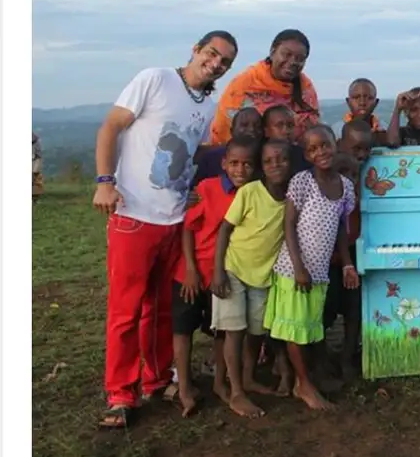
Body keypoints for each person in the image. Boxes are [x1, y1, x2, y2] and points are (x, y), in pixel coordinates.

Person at [92, 30, 238, 429]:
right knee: (125, 310)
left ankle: (157, 380)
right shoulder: (155, 79)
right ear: (196, 50)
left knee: (160, 308)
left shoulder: (208, 105)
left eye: (225, 61)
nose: (217, 63)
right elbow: (111, 126)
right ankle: (122, 393)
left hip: (174, 219)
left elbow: (193, 153)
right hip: (134, 214)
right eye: (212, 53)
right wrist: (106, 180)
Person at [265, 125, 359, 411]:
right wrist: (298, 268)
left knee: (309, 327)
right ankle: (304, 385)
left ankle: (307, 380)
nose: (321, 152)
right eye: (313, 149)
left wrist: (347, 265)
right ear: (306, 154)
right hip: (295, 270)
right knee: (296, 329)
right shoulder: (302, 181)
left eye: (325, 145)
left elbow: (341, 231)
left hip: (320, 273)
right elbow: (289, 225)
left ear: (335, 144)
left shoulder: (345, 186)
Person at [173, 137, 257, 417]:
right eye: (234, 163)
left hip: (225, 275)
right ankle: (184, 388)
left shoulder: (254, 193)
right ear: (224, 164)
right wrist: (190, 269)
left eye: (247, 164)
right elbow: (188, 228)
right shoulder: (207, 189)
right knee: (183, 329)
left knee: (222, 330)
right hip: (192, 272)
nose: (240, 170)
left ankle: (222, 384)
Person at [212, 139, 290, 418]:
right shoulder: (250, 192)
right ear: (262, 167)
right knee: (234, 330)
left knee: (257, 331)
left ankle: (247, 377)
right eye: (268, 162)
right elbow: (224, 230)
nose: (275, 166)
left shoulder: (292, 198)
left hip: (263, 277)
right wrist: (218, 270)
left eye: (281, 160)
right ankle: (236, 392)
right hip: (233, 270)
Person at [322, 119, 374, 379]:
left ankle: (348, 357)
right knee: (325, 308)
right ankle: (320, 358)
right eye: (356, 149)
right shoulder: (322, 183)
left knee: (354, 306)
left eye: (367, 150)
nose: (362, 155)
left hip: (352, 253)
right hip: (324, 258)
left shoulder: (362, 181)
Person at [210, 29, 319, 145]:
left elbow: (312, 129)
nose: (293, 62)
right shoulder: (247, 83)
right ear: (272, 52)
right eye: (286, 54)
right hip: (240, 155)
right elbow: (229, 127)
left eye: (300, 58)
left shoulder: (305, 88)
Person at [193, 107, 263, 187]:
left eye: (257, 126)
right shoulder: (211, 158)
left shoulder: (267, 158)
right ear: (232, 131)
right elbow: (196, 190)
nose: (251, 129)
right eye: (244, 125)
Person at [262, 105, 311, 178]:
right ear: (266, 131)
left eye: (290, 125)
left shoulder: (304, 156)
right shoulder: (259, 156)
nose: (286, 131)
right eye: (279, 125)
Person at [342, 78, 386, 143]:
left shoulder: (384, 129)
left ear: (376, 103)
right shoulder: (338, 132)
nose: (362, 103)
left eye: (369, 98)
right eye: (356, 97)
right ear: (348, 102)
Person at [32, 133, 44, 201]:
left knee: (35, 177)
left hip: (35, 160)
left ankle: (35, 195)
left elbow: (38, 154)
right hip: (35, 159)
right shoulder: (36, 140)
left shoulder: (35, 140)